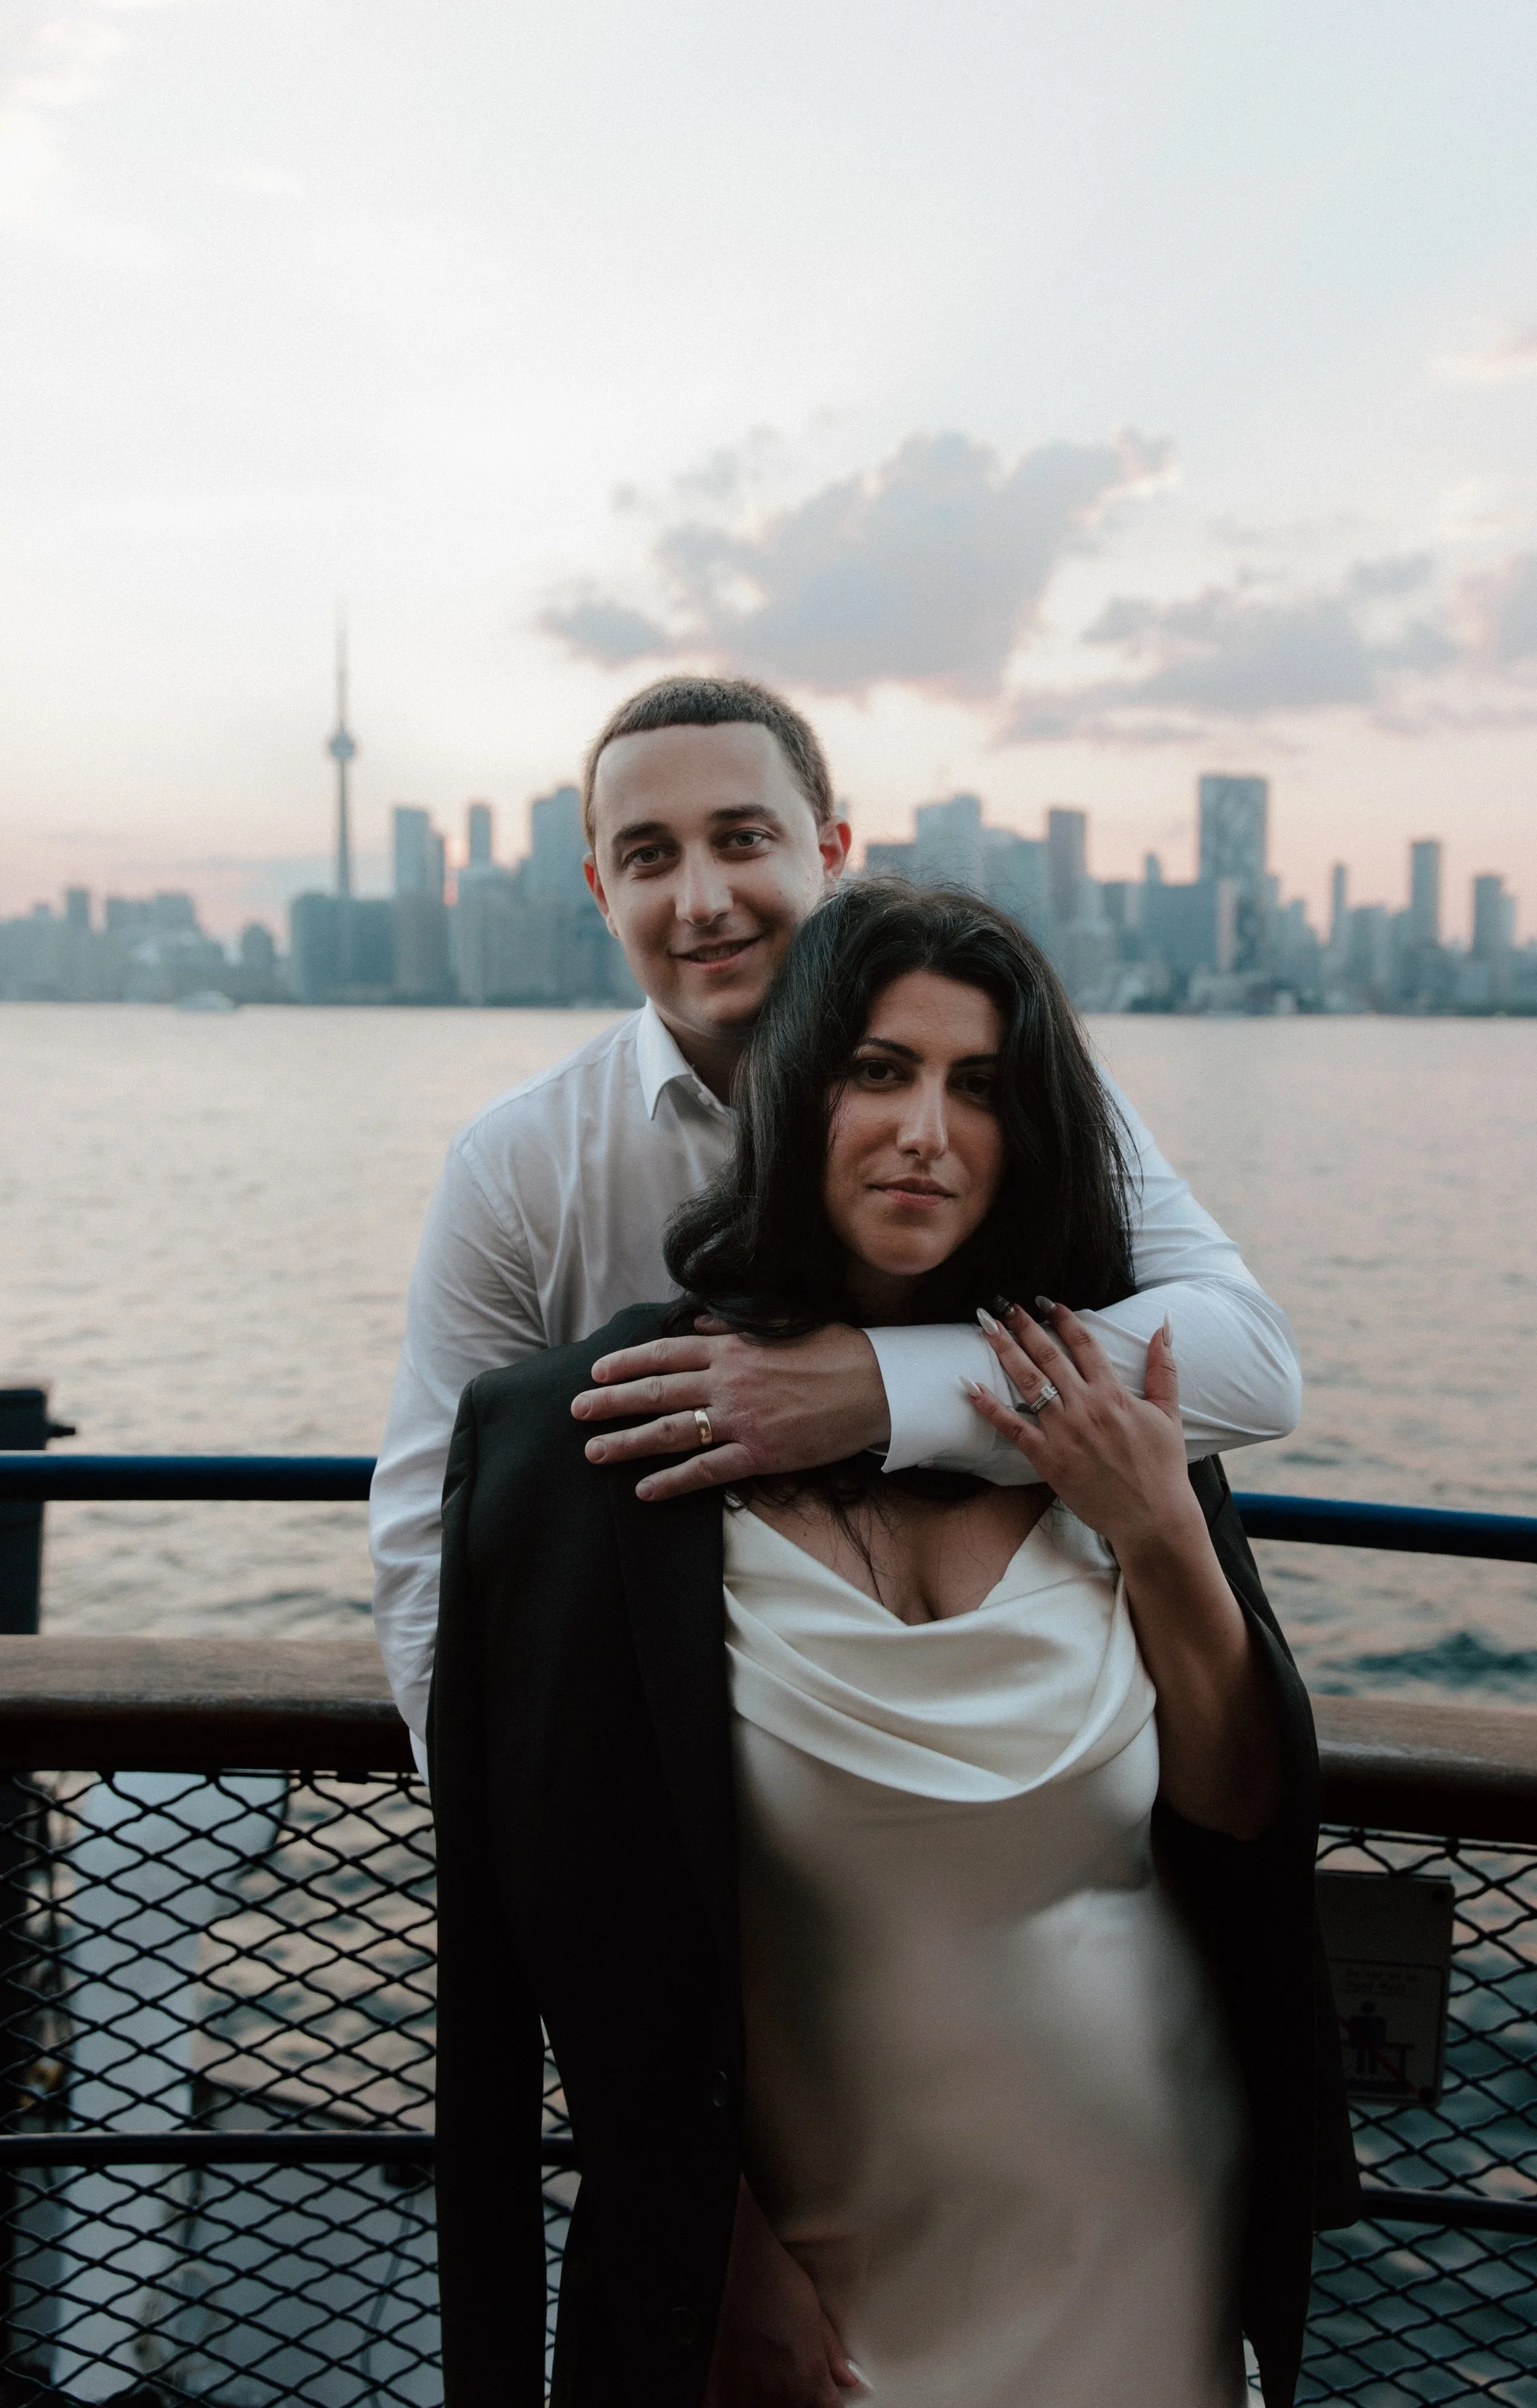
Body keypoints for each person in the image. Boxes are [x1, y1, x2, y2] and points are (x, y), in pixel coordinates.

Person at [430, 882, 1357, 2408]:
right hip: (815, 2285)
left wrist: (1160, 1529)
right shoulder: (586, 1449)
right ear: (797, 1091)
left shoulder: (1088, 1399)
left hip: (1148, 2237)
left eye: (980, 1086)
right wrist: (719, 2257)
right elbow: (559, 1915)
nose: (928, 1128)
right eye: (879, 1070)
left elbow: (1246, 1810)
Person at [370, 674, 1302, 1774]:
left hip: (1017, 1714)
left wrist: (876, 1386)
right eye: (649, 856)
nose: (702, 899)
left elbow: (1251, 1361)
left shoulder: (995, 1084)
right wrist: (492, 1834)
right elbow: (434, 1532)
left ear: (830, 852)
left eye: (742, 838)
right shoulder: (519, 1163)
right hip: (679, 1755)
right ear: (599, 890)